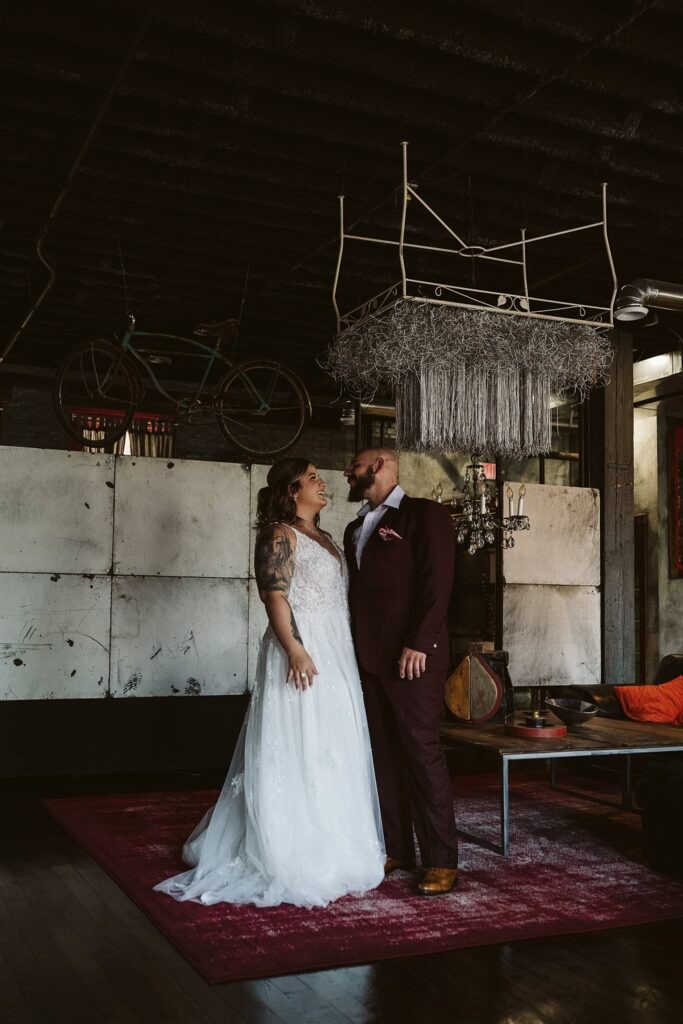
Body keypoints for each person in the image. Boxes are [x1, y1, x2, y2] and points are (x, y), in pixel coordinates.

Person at [154, 458, 384, 908]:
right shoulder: (279, 534)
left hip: (336, 648)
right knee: (300, 738)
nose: (324, 483)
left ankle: (337, 840)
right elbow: (274, 594)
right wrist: (295, 649)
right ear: (291, 489)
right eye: (313, 477)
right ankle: (288, 844)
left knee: (332, 742)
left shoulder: (327, 538)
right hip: (301, 646)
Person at [343, 447, 459, 895]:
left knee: (421, 754)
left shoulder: (424, 514)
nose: (347, 471)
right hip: (368, 659)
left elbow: (438, 583)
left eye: (354, 464)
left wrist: (421, 642)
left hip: (413, 659)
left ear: (378, 465)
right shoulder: (356, 526)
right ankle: (397, 848)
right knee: (384, 757)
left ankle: (441, 859)